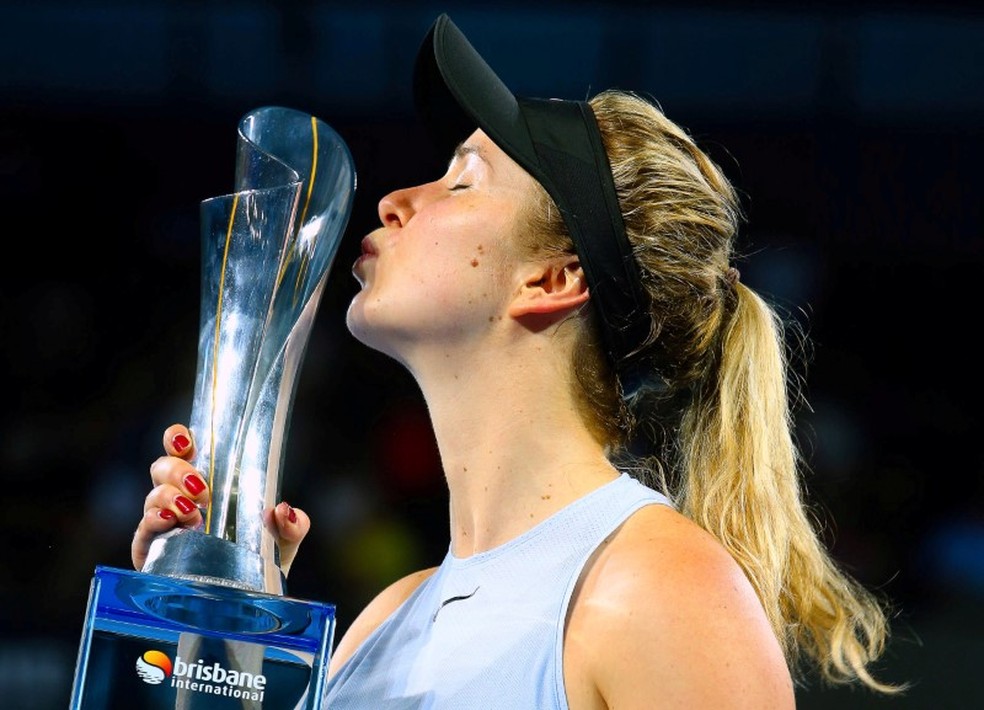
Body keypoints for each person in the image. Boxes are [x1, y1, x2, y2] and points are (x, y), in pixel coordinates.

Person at [131, 13, 901, 708]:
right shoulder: (384, 623)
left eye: (462, 180)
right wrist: (220, 638)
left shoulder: (658, 594)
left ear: (554, 279)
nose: (397, 199)